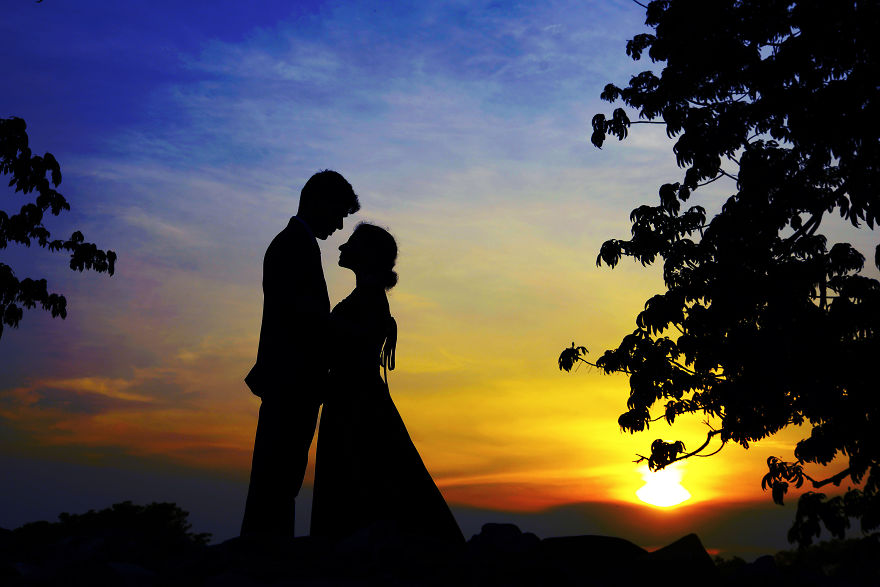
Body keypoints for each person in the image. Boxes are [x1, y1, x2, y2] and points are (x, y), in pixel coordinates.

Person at [310, 223, 464, 544]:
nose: (341, 248)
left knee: (362, 480)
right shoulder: (368, 297)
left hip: (356, 404)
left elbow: (351, 350)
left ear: (366, 255)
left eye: (350, 243)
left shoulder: (368, 300)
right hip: (356, 399)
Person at [241, 170, 360, 539]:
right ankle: (264, 555)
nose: (340, 226)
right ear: (317, 201)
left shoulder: (296, 244)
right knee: (279, 476)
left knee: (280, 476)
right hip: (292, 382)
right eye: (338, 213)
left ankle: (265, 549)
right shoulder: (294, 245)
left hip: (292, 380)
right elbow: (302, 320)